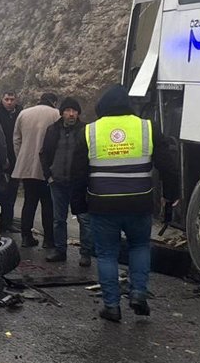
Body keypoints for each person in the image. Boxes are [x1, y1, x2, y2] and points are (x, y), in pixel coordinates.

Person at [71, 84, 179, 322]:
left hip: (102, 205)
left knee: (107, 254)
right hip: (139, 203)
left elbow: (77, 173)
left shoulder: (90, 131)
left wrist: (78, 206)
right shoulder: (147, 127)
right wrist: (171, 195)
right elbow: (168, 165)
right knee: (139, 247)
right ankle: (138, 293)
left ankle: (112, 306)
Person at [39, 97, 93, 265]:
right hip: (57, 182)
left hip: (79, 183)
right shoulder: (52, 130)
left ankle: (85, 253)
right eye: (68, 110)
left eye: (74, 111)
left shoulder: (86, 130)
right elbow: (44, 153)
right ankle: (60, 250)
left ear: (78, 113)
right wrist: (48, 175)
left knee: (84, 219)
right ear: (62, 113)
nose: (71, 114)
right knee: (59, 219)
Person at [13, 93, 59, 248]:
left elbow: (16, 139)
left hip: (27, 165)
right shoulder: (56, 114)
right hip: (48, 167)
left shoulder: (24, 113)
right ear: (54, 102)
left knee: (29, 201)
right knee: (48, 203)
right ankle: (48, 240)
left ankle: (26, 237)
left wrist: (21, 157)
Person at [0, 91, 23, 233]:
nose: (9, 102)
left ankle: (8, 221)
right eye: (7, 99)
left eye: (12, 99)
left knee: (12, 191)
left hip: (15, 157)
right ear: (2, 99)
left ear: (16, 100)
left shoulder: (20, 113)